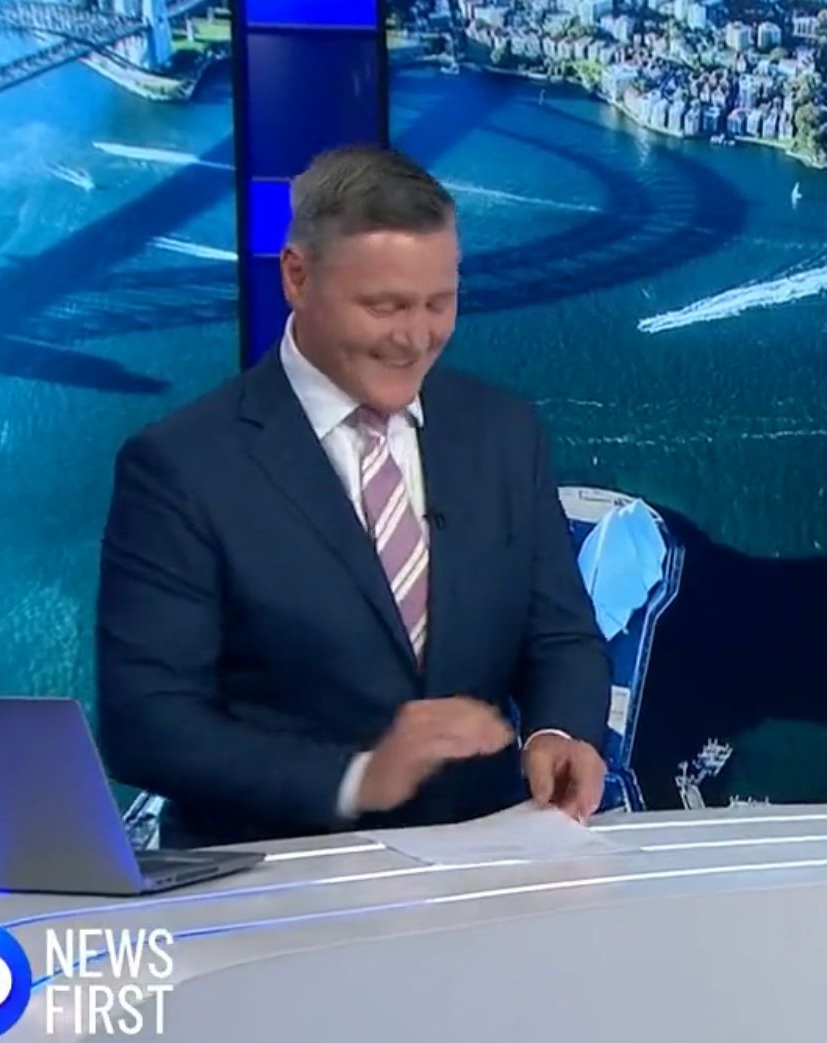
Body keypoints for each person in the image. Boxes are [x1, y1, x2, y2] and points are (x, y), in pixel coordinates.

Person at [96, 144, 612, 848]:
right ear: (297, 277)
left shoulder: (504, 432)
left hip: (486, 863)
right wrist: (355, 778)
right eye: (383, 305)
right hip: (281, 877)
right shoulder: (181, 468)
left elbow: (560, 636)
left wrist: (557, 731)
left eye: (439, 303)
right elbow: (145, 725)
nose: (415, 337)